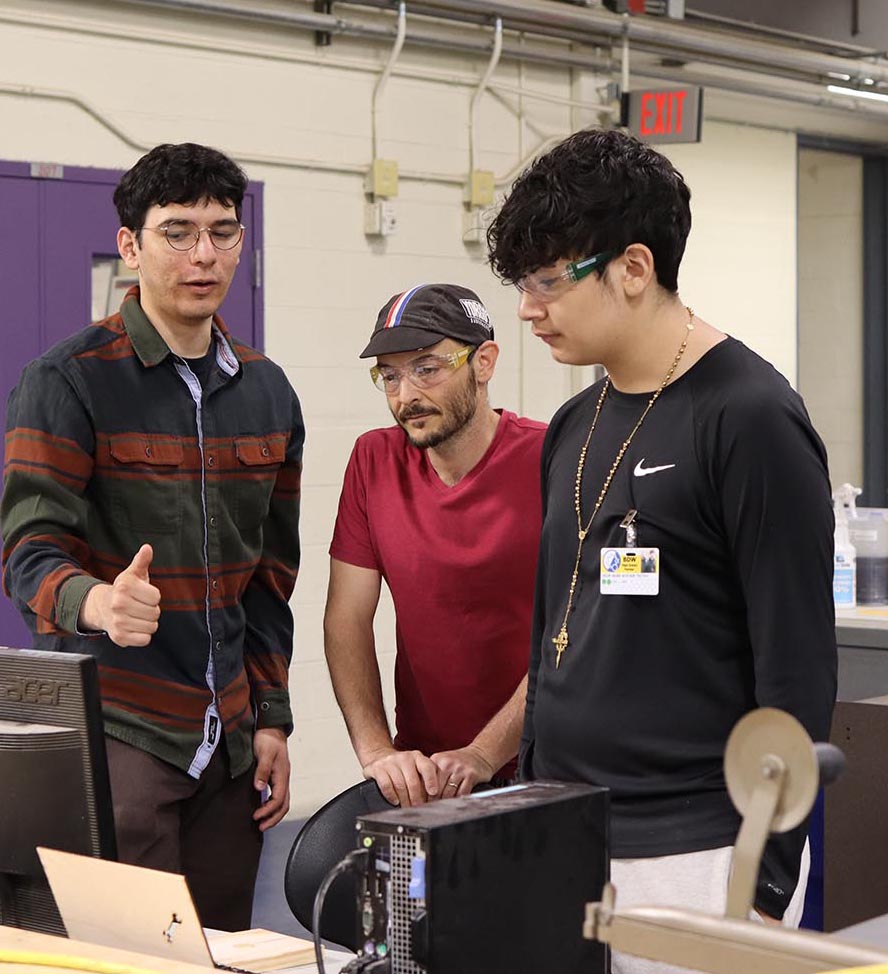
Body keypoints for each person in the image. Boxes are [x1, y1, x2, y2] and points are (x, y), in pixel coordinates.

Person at [486, 129, 836, 969]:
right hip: (567, 836)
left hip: (702, 853)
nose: (528, 308)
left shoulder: (748, 418)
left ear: (633, 269)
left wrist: (764, 875)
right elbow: (558, 631)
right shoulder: (575, 423)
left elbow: (796, 664)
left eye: (546, 281)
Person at [1, 143, 304, 931]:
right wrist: (98, 601)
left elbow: (270, 579)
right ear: (131, 246)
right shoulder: (68, 380)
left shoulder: (268, 392)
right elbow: (26, 551)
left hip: (231, 748)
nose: (204, 254)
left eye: (223, 230)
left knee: (226, 948)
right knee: (131, 956)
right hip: (120, 739)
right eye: (177, 231)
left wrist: (270, 715)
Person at [324, 283, 546, 808]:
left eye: (428, 368)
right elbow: (346, 619)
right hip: (427, 777)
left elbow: (575, 628)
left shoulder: (550, 457)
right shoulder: (373, 460)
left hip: (544, 763)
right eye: (391, 375)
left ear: (484, 362)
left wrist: (485, 752)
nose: (406, 396)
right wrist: (377, 751)